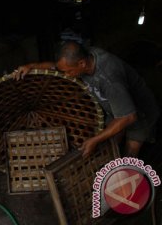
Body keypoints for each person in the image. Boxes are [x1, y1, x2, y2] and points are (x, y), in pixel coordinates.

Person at [14, 40, 160, 158]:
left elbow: (128, 117)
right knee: (110, 146)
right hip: (115, 110)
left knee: (129, 154)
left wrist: (94, 140)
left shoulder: (109, 79)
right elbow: (58, 68)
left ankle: (125, 185)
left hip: (140, 113)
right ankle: (109, 170)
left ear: (82, 64)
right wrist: (32, 66)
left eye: (69, 72)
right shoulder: (86, 57)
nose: (68, 75)